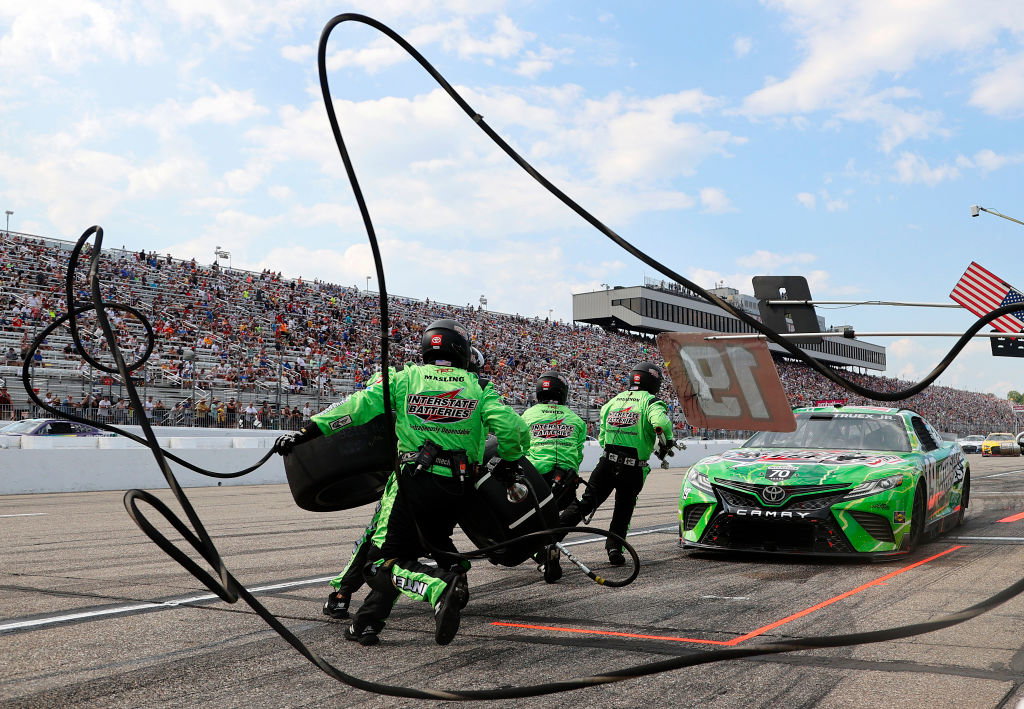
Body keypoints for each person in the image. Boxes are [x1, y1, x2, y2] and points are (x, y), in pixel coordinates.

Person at [274, 319, 529, 647]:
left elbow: (357, 408)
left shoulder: (405, 378)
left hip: (413, 482)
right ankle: (367, 623)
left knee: (379, 563)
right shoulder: (478, 387)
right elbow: (514, 431)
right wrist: (508, 462)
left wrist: (308, 432)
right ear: (462, 351)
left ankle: (440, 585)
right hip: (457, 488)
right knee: (405, 553)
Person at [557, 362, 674, 566]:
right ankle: (614, 548)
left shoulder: (613, 401)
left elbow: (602, 437)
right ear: (654, 381)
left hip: (607, 462)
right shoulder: (651, 402)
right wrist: (666, 441)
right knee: (623, 509)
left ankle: (548, 540)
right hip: (632, 466)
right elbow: (661, 425)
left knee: (585, 504)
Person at [520, 370, 587, 582]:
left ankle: (539, 548)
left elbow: (520, 448)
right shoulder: (576, 420)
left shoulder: (527, 416)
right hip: (566, 481)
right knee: (577, 507)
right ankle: (550, 542)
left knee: (526, 516)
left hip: (536, 479)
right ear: (563, 393)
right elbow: (578, 453)